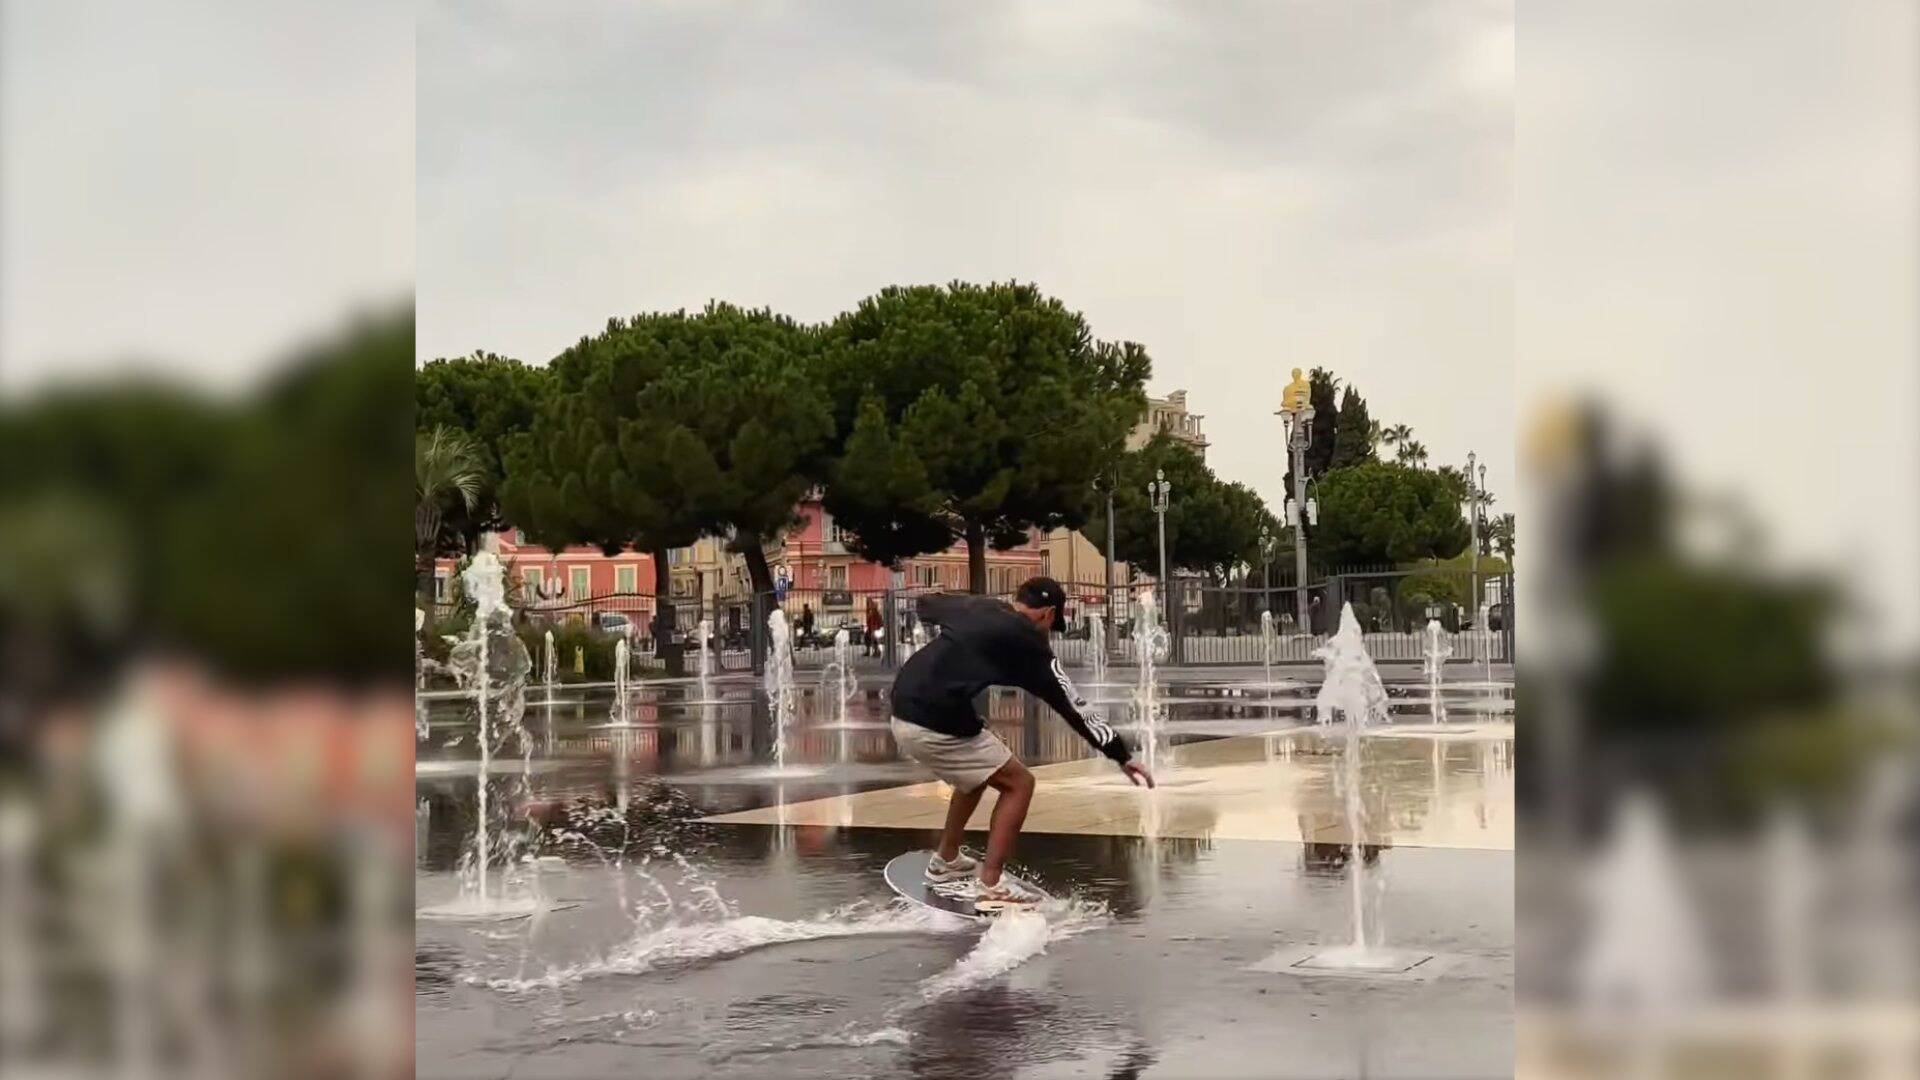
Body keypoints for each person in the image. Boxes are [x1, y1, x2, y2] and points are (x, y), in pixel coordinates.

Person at [889, 576, 1154, 908]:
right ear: (1047, 614)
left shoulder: (979, 606)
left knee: (978, 770)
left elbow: (926, 603)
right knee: (1019, 783)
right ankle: (991, 884)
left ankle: (945, 861)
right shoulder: (1033, 649)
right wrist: (1121, 754)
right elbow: (1075, 708)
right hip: (932, 722)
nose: (1048, 635)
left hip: (903, 707)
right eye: (1051, 626)